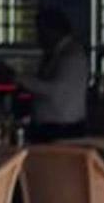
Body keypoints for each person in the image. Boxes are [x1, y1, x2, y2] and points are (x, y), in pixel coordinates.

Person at [17, 7, 89, 143]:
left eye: (41, 31)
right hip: (48, 128)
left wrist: (19, 78)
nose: (38, 37)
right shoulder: (55, 54)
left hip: (62, 130)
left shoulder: (72, 55)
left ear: (53, 30)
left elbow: (54, 91)